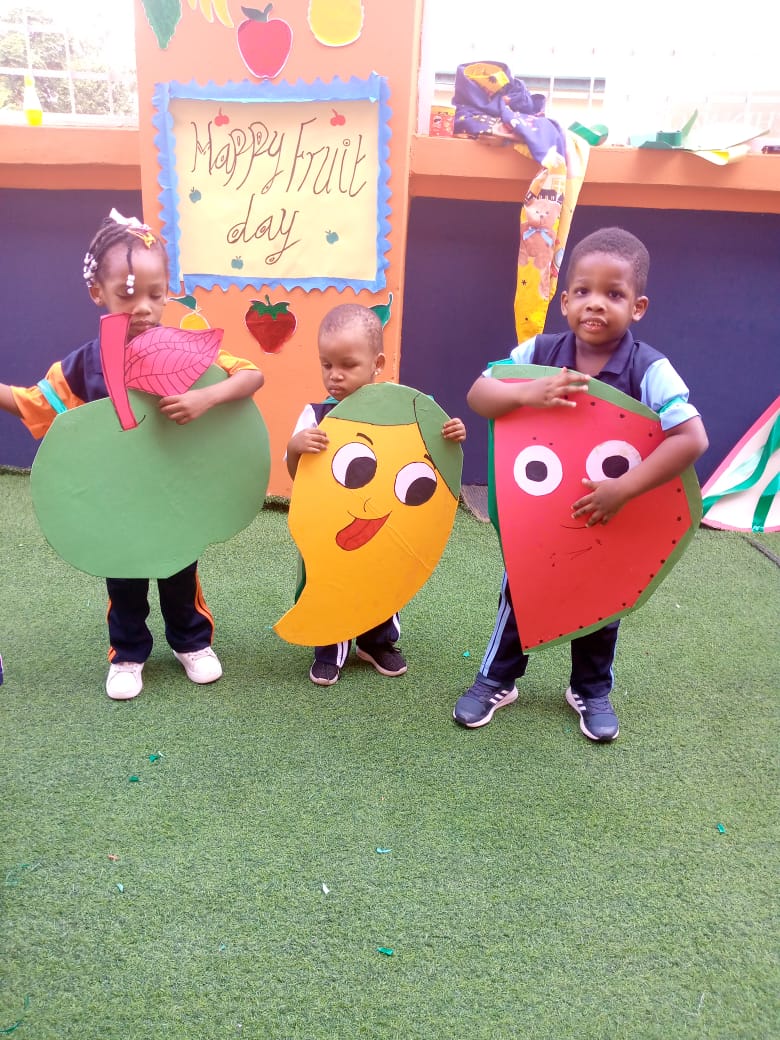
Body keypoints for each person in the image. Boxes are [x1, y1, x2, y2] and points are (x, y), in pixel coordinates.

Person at [453, 227, 708, 742]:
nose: (596, 304)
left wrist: (624, 488)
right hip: (540, 516)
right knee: (521, 593)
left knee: (602, 601)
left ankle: (590, 689)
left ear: (637, 307)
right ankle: (497, 679)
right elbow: (480, 394)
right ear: (565, 300)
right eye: (584, 291)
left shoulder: (649, 369)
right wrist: (527, 392)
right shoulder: (539, 352)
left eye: (613, 294)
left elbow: (691, 438)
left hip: (610, 513)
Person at [0, 209, 264, 701]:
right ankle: (127, 654)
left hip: (173, 491)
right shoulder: (86, 363)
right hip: (119, 499)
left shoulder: (184, 348)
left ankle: (192, 642)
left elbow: (251, 375)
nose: (143, 307)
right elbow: (34, 403)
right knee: (122, 575)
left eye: (155, 294)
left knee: (179, 568)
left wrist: (204, 398)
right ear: (97, 292)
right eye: (127, 294)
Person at [286, 302, 467, 686]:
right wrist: (295, 448)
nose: (334, 375)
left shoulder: (406, 412)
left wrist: (451, 434)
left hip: (386, 523)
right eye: (326, 364)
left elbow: (432, 451)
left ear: (377, 363)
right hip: (336, 527)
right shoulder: (317, 416)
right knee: (331, 582)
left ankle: (376, 642)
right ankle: (329, 648)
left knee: (382, 575)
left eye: (347, 364)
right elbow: (298, 479)